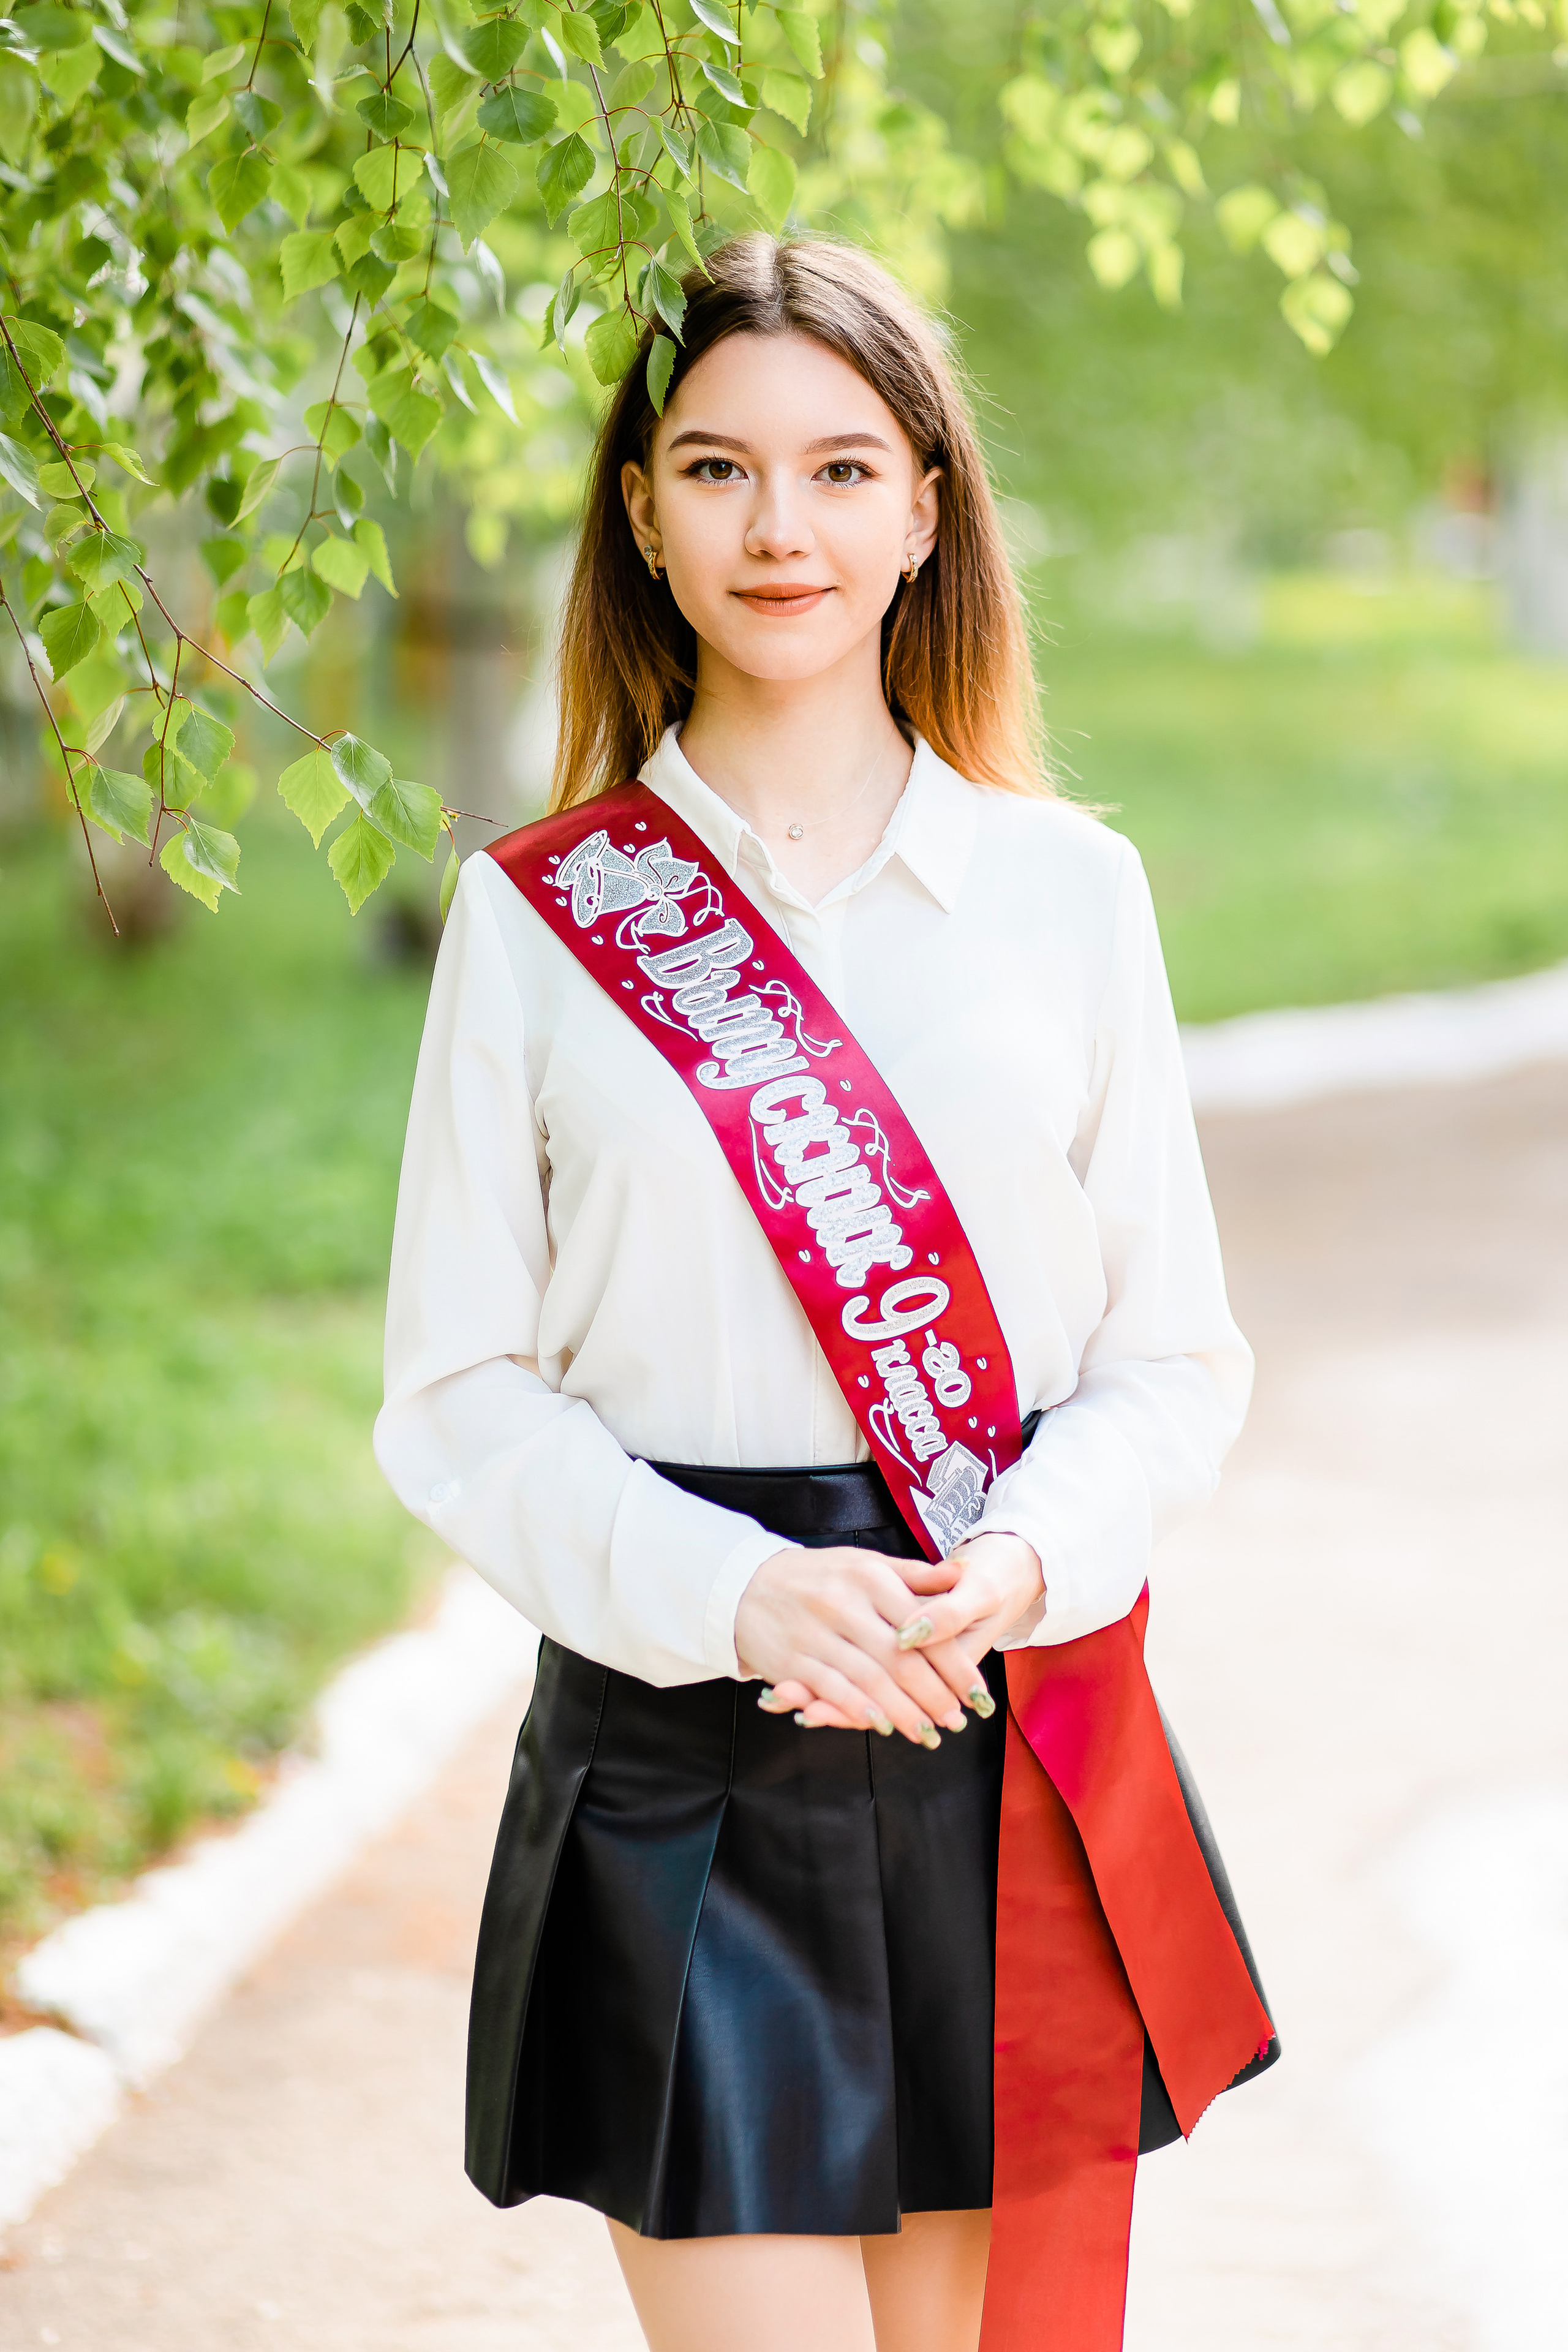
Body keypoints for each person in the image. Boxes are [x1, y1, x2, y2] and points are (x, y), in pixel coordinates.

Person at [374, 234, 1273, 2352]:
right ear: (641, 513)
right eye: (717, 471)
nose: (781, 529)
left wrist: (1033, 1552)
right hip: (681, 1745)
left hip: (993, 1723)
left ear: (927, 507)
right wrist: (736, 1592)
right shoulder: (539, 922)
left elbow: (1173, 1360)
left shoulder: (1069, 894)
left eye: (842, 469)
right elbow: (459, 1392)